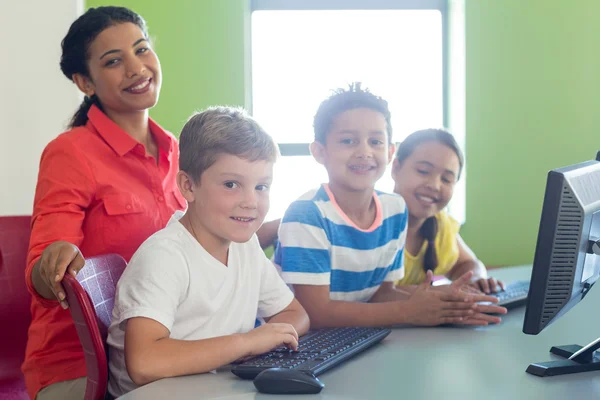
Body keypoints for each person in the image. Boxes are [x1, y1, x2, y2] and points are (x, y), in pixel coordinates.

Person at [22, 7, 186, 399]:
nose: (136, 67)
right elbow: (41, 272)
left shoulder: (179, 150)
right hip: (82, 365)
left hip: (167, 350)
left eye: (141, 50)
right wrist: (52, 262)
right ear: (85, 82)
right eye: (113, 61)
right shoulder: (70, 153)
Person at [107, 107, 310, 397]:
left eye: (262, 186)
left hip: (216, 388)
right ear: (188, 186)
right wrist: (246, 343)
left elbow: (294, 313)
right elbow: (144, 363)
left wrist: (271, 339)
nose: (251, 202)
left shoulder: (246, 246)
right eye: (231, 184)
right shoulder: (164, 257)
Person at [274, 83, 506, 329]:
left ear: (390, 152)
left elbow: (381, 295)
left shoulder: (395, 210)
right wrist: (409, 311)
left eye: (375, 141)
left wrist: (447, 306)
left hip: (351, 339)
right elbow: (316, 314)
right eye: (348, 141)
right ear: (320, 152)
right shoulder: (307, 215)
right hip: (296, 348)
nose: (364, 152)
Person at [392, 128, 504, 294]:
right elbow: (372, 295)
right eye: (423, 171)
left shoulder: (439, 223)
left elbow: (468, 264)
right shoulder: (372, 223)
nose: (434, 185)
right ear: (395, 168)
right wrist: (439, 293)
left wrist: (475, 281)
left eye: (446, 179)